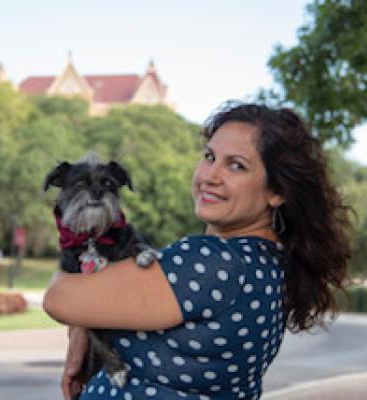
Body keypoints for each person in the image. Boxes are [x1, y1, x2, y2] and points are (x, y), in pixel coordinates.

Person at [43, 103, 351, 400]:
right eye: (209, 156)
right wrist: (84, 325)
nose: (210, 176)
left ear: (277, 191)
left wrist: (81, 318)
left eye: (236, 165)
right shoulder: (268, 263)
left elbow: (60, 298)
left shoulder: (210, 262)